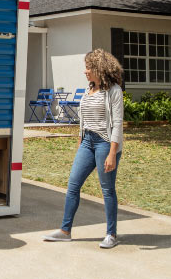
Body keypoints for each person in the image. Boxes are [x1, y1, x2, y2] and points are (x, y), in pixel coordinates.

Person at [43, 48, 124, 248]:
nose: (85, 71)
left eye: (88, 68)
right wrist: (80, 142)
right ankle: (65, 230)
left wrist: (112, 153)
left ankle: (111, 234)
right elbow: (84, 120)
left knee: (107, 190)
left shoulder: (113, 91)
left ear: (99, 68)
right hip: (87, 142)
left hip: (105, 143)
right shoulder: (89, 89)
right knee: (73, 185)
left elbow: (118, 123)